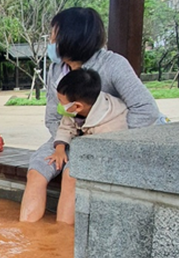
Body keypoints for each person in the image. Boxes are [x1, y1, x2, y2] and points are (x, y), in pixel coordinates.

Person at [19, 7, 160, 224]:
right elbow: (52, 116)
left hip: (104, 140)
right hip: (65, 135)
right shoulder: (56, 70)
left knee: (71, 174)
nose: (51, 40)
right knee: (36, 171)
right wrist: (62, 144)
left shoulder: (113, 65)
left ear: (71, 37)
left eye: (54, 34)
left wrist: (108, 138)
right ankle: (27, 236)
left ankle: (59, 237)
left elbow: (145, 109)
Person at [46, 69, 129, 224]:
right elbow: (65, 128)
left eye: (62, 103)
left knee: (70, 173)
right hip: (85, 144)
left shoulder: (111, 124)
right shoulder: (76, 109)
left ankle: (62, 227)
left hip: (107, 153)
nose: (59, 106)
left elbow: (102, 152)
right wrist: (60, 148)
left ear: (77, 106)